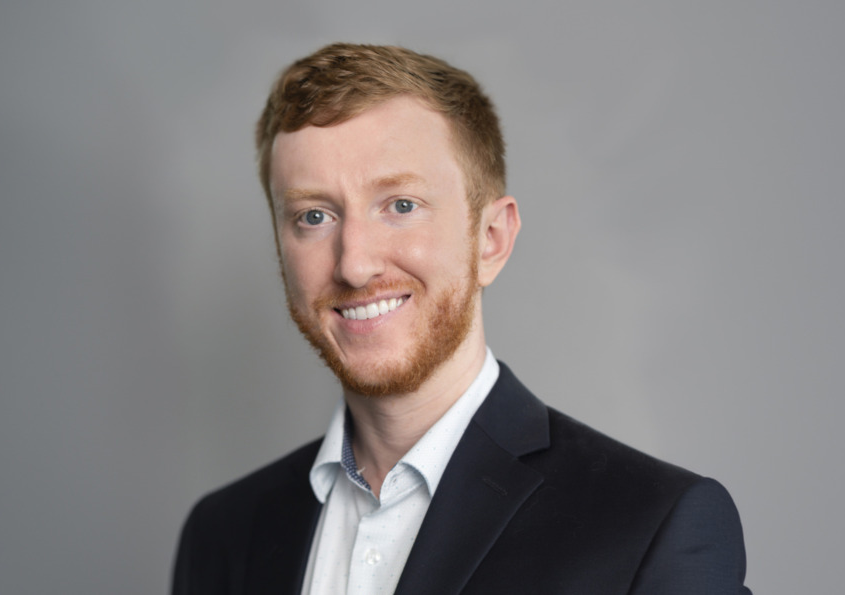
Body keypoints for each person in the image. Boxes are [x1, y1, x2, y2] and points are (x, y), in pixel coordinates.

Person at [172, 43, 751, 595]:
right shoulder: (222, 535)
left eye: (401, 206)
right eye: (314, 216)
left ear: (491, 240)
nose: (354, 264)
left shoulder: (651, 527)